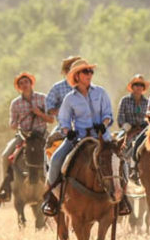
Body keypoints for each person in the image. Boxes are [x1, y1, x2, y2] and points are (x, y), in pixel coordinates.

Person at [41, 59, 129, 216]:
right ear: (77, 76)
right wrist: (69, 132)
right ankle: (52, 199)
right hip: (78, 138)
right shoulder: (70, 98)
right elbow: (64, 120)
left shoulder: (101, 92)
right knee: (55, 161)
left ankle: (122, 198)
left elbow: (108, 113)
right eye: (86, 71)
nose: (89, 74)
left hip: (103, 137)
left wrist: (104, 123)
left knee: (122, 163)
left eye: (91, 71)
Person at [0, 72, 49, 203]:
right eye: (21, 83)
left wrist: (39, 113)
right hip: (24, 136)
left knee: (56, 153)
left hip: (42, 136)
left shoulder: (42, 98)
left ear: (31, 83)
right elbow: (12, 124)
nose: (24, 85)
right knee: (5, 155)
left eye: (26, 82)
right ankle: (6, 189)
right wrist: (15, 124)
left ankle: (56, 187)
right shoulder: (15, 103)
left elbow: (51, 119)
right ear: (18, 87)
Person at [117, 74, 149, 166]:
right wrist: (125, 125)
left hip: (143, 130)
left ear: (143, 88)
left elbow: (149, 117)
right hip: (128, 129)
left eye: (141, 85)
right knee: (118, 144)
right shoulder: (125, 100)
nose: (139, 87)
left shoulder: (147, 102)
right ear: (132, 87)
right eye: (136, 84)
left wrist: (144, 126)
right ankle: (121, 165)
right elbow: (120, 117)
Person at [42, 55, 83, 127]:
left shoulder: (89, 87)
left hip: (88, 126)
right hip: (64, 127)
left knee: (106, 137)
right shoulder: (57, 88)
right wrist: (64, 111)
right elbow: (49, 107)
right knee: (52, 138)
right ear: (67, 71)